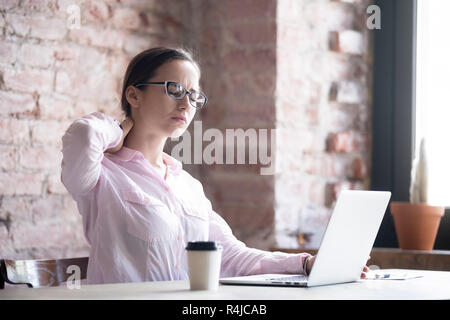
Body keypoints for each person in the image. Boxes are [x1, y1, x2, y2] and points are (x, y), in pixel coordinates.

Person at [61, 46, 370, 285]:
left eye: (193, 96)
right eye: (174, 89)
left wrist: (304, 263)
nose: (186, 104)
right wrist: (121, 127)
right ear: (134, 94)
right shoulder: (100, 175)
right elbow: (84, 134)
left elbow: (231, 256)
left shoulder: (188, 186)